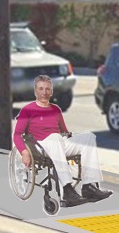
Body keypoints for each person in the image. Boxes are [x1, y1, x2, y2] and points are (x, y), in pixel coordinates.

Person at [11, 75, 106, 204]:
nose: (44, 92)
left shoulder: (56, 110)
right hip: (40, 146)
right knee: (55, 138)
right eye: (41, 89)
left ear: (51, 91)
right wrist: (24, 152)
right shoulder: (27, 110)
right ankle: (67, 190)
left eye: (47, 89)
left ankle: (88, 186)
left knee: (88, 137)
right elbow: (17, 135)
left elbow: (64, 131)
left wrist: (71, 136)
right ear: (35, 91)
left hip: (59, 144)